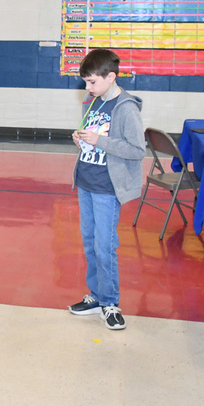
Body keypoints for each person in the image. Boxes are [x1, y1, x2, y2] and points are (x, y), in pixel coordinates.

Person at [67, 48, 145, 330]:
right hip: (87, 181)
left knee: (104, 246)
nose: (88, 87)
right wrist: (80, 138)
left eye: (92, 82)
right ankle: (96, 296)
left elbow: (137, 150)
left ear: (111, 77)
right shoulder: (93, 101)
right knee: (90, 242)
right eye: (86, 82)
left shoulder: (126, 108)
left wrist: (98, 141)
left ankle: (110, 303)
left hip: (107, 187)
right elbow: (91, 134)